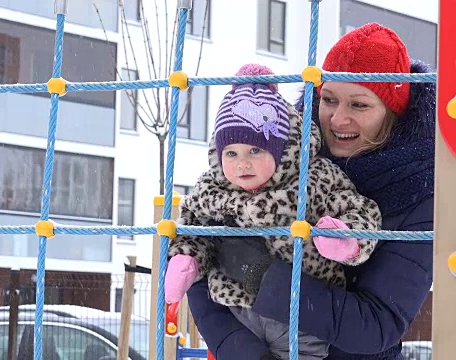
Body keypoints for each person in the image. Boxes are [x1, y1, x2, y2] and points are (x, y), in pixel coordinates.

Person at [186, 22, 435, 359]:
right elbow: (202, 271)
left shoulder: (417, 193)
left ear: (393, 111)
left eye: (359, 105)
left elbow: (377, 325)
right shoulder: (276, 156)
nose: (336, 119)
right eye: (328, 99)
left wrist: (256, 275)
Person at [164, 63, 382, 359]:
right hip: (237, 311)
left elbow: (358, 208)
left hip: (302, 318)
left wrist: (346, 239)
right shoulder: (212, 188)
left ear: (280, 151)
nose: (243, 163)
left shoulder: (311, 179)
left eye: (255, 151)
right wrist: (186, 259)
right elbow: (194, 227)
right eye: (232, 153)